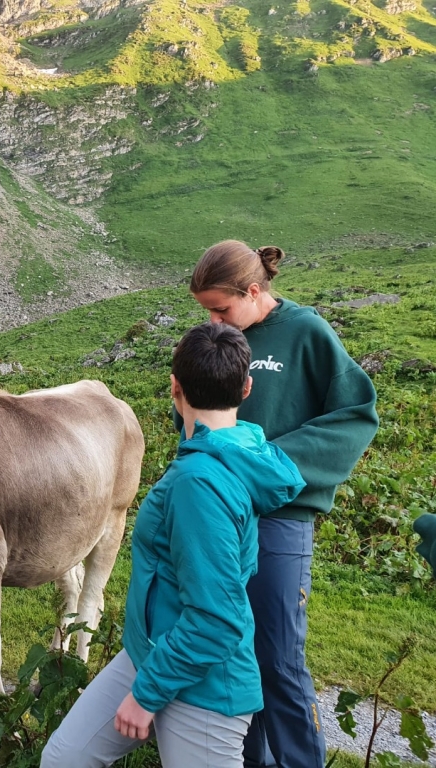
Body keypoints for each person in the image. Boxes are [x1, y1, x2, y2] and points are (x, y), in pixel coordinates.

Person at [41, 322, 306, 768]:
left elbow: (217, 618)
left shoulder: (199, 482)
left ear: (174, 387)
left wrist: (146, 695)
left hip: (204, 687)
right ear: (247, 387)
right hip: (153, 651)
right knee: (66, 758)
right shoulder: (230, 449)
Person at [188, 240, 379, 768]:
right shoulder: (220, 338)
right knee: (233, 652)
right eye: (206, 311)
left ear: (253, 291)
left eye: (221, 309)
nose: (213, 321)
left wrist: (270, 460)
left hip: (281, 521)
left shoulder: (306, 331)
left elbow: (357, 414)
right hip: (221, 517)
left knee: (278, 659)